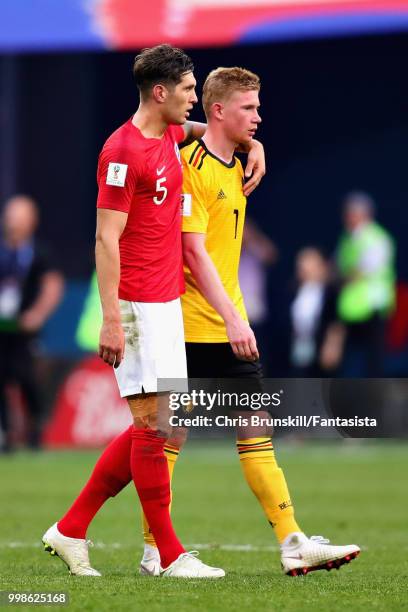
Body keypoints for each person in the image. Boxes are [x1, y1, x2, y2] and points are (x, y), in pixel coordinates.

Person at [42, 45, 266, 578]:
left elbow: (197, 133)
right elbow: (105, 238)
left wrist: (252, 141)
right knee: (153, 428)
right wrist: (112, 317)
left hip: (167, 301)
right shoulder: (121, 153)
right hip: (137, 305)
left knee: (158, 423)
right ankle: (167, 555)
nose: (195, 98)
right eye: (189, 89)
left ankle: (71, 529)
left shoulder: (166, 132)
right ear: (161, 92)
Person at [0, 195, 64, 451]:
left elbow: (53, 286)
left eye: (20, 218)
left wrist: (37, 314)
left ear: (31, 222)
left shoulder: (40, 254)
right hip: (2, 330)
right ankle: (5, 434)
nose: (13, 223)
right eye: (11, 216)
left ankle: (36, 428)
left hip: (26, 331)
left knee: (27, 378)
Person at [336, 191, 396, 376]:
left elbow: (359, 271)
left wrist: (340, 277)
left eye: (351, 212)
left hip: (372, 307)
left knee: (373, 361)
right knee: (350, 361)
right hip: (351, 310)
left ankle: (374, 401)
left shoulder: (377, 238)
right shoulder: (348, 239)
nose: (347, 217)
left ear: (364, 214)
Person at [289, 247, 341, 377]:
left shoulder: (331, 292)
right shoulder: (292, 291)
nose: (305, 267)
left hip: (320, 350)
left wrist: (332, 345)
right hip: (297, 350)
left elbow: (336, 322)